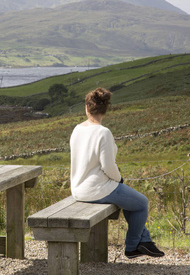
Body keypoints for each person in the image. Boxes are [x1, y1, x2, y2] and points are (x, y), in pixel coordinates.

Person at [69, 87, 164, 259]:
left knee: (130, 200)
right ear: (105, 110)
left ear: (87, 108)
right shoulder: (103, 132)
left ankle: (145, 241)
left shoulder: (77, 129)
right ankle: (133, 247)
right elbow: (108, 166)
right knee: (142, 203)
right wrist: (120, 179)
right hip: (97, 189)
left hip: (77, 190)